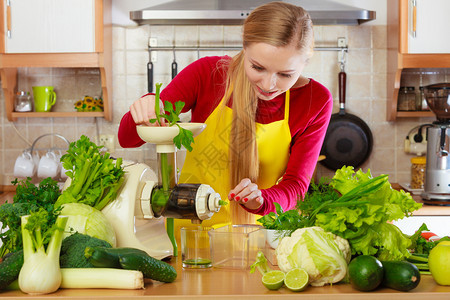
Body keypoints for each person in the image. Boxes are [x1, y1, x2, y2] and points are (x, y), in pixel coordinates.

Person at [118, 1, 333, 227]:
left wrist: (261, 200)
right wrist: (147, 106)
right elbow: (127, 139)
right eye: (258, 68)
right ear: (244, 47)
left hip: (262, 238)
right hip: (193, 236)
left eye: (285, 74)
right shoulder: (208, 74)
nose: (269, 85)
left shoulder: (314, 100)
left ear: (304, 63)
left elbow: (296, 185)